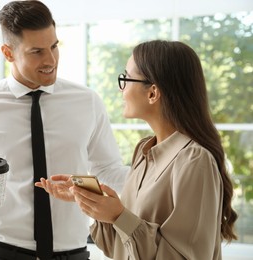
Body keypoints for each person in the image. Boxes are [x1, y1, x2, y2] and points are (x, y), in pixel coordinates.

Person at [0, 1, 129, 260]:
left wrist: (159, 176)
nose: (51, 60)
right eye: (37, 52)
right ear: (8, 52)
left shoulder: (87, 102)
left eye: (54, 46)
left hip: (73, 253)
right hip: (4, 253)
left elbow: (108, 170)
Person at [38, 40, 238, 259]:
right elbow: (120, 248)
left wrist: (118, 215)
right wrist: (92, 199)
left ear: (153, 93)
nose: (120, 88)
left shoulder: (194, 160)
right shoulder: (144, 150)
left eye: (126, 78)